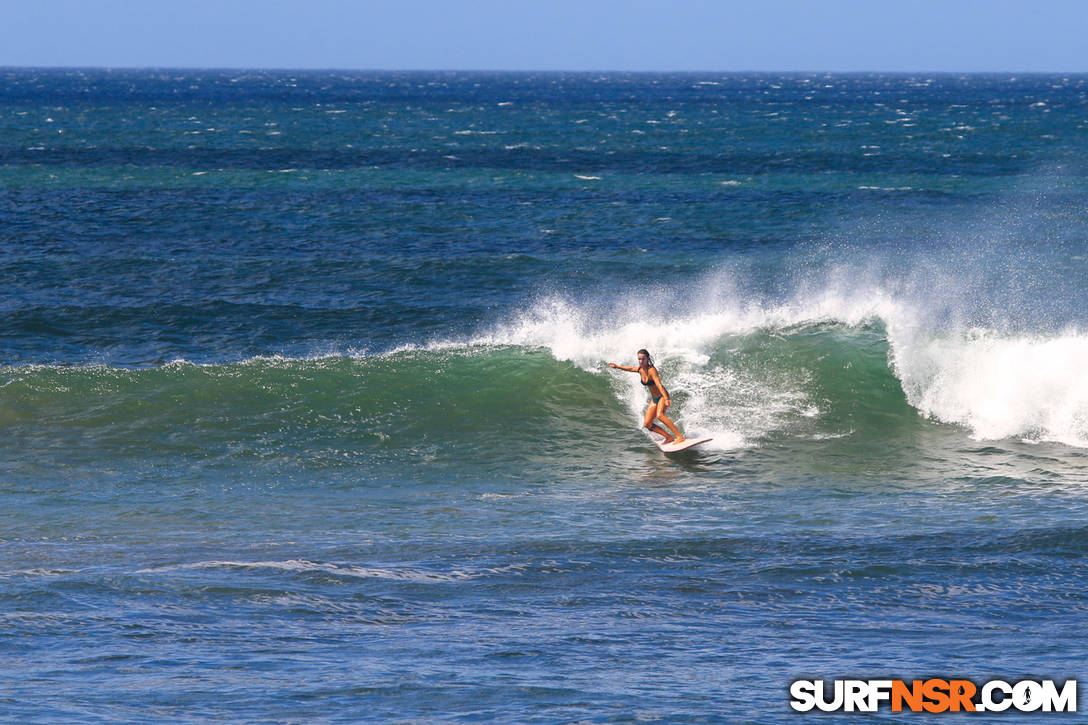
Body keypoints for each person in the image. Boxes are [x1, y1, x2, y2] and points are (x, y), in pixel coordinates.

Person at [608, 349, 685, 444]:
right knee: (647, 424)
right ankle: (668, 437)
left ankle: (679, 436)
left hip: (662, 396)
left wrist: (666, 398)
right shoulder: (640, 370)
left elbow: (659, 385)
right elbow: (631, 368)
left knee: (660, 415)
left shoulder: (652, 370)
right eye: (639, 359)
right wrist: (617, 366)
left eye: (643, 359)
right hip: (655, 399)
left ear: (647, 359)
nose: (641, 361)